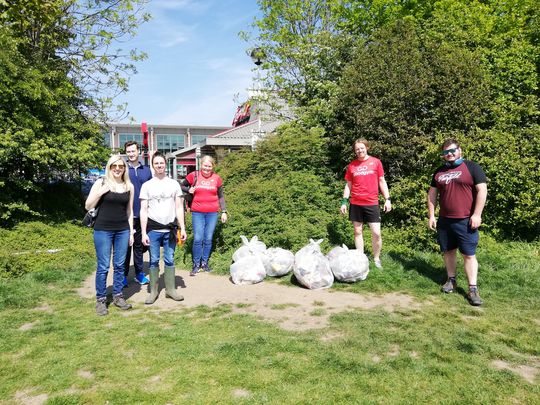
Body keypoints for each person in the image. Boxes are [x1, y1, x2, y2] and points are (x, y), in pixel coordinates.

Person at [427, 139, 487, 306]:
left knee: (468, 254)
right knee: (448, 251)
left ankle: (472, 289)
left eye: (452, 150)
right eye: (446, 152)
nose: (450, 154)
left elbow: (482, 190)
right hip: (445, 221)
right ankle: (451, 280)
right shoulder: (439, 172)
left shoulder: (472, 167)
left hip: (466, 220)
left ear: (459, 150)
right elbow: (432, 194)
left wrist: (477, 214)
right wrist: (432, 215)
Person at [85, 155, 134, 316]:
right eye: (114, 166)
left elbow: (129, 211)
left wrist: (131, 232)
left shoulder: (128, 186)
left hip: (122, 230)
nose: (118, 169)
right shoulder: (101, 182)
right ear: (109, 167)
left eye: (121, 166)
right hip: (103, 229)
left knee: (120, 265)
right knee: (104, 266)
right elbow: (88, 205)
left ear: (124, 168)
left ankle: (118, 296)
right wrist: (100, 193)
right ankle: (100, 300)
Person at [140, 152, 187, 304]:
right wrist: (143, 232)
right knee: (153, 260)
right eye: (156, 163)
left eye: (161, 163)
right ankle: (153, 291)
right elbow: (143, 210)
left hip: (170, 229)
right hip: (153, 229)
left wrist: (183, 228)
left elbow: (179, 207)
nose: (159, 165)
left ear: (165, 165)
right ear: (152, 166)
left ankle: (170, 290)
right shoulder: (147, 185)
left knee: (169, 259)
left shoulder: (174, 184)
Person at [340, 139, 392, 268]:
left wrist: (387, 199)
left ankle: (376, 258)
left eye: (362, 148)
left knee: (376, 233)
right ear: (355, 151)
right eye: (357, 149)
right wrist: (344, 202)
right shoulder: (352, 166)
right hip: (356, 203)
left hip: (372, 203)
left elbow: (381, 181)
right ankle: (360, 258)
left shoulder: (376, 162)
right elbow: (348, 185)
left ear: (366, 148)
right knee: (358, 232)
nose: (360, 150)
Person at [181, 155, 228, 276]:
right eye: (205, 165)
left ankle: (204, 263)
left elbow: (221, 196)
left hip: (212, 212)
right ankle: (196, 264)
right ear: (201, 165)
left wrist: (224, 211)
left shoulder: (217, 178)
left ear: (213, 166)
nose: (207, 168)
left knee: (207, 239)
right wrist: (188, 190)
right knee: (198, 238)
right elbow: (181, 185)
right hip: (197, 212)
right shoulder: (194, 175)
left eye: (209, 166)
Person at [123, 140, 153, 287]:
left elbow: (152, 191)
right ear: (126, 153)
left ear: (138, 152)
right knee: (125, 247)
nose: (131, 154)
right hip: (125, 215)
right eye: (128, 151)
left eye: (133, 151)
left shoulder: (147, 170)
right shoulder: (122, 169)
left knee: (139, 247)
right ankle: (123, 276)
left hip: (142, 215)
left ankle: (139, 274)